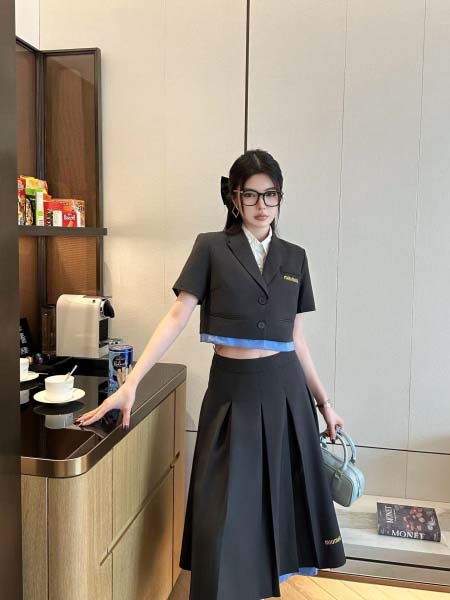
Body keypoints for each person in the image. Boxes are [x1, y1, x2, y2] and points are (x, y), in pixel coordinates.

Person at [74, 149, 347, 599]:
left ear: (280, 198)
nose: (261, 205)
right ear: (234, 198)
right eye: (250, 194)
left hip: (285, 395)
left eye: (271, 194)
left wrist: (324, 403)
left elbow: (297, 339)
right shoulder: (211, 247)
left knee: (279, 507)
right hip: (231, 393)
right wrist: (131, 383)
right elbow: (176, 316)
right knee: (223, 513)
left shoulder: (295, 258)